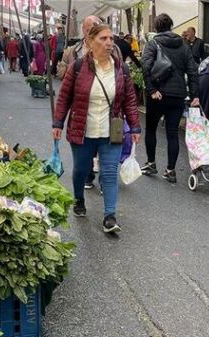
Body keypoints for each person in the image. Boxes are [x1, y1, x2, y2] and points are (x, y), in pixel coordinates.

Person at [52, 23, 141, 234]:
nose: (109, 42)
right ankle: (79, 199)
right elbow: (64, 97)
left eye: (111, 38)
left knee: (110, 173)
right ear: (90, 42)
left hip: (111, 131)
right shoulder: (77, 67)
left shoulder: (122, 69)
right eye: (103, 38)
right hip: (82, 130)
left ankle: (109, 216)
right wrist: (58, 123)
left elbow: (129, 99)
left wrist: (135, 127)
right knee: (81, 171)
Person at [140, 13, 199, 184]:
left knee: (151, 129)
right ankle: (171, 170)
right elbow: (193, 71)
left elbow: (146, 65)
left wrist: (151, 90)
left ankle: (151, 164)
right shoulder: (184, 45)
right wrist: (195, 95)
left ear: (157, 28)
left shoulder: (153, 43)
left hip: (158, 95)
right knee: (172, 133)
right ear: (171, 26)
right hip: (178, 95)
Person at [57, 15, 122, 80]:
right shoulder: (71, 51)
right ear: (83, 30)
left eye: (95, 30)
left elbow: (120, 74)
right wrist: (76, 67)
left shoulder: (113, 49)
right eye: (88, 30)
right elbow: (61, 75)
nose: (92, 33)